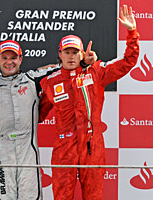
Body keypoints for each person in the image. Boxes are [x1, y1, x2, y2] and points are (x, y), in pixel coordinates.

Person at [39, 5, 139, 200]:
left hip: (92, 147)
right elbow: (37, 114)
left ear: (82, 54)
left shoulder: (97, 72)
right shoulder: (50, 82)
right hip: (64, 148)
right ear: (59, 54)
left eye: (75, 52)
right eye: (66, 52)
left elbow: (128, 61)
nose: (70, 56)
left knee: (94, 197)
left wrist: (131, 32)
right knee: (61, 196)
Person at [0, 40, 96, 199]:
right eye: (5, 57)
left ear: (20, 59)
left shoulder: (33, 79)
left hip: (28, 150)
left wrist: (84, 62)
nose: (9, 62)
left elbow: (63, 68)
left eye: (13, 57)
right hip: (2, 152)